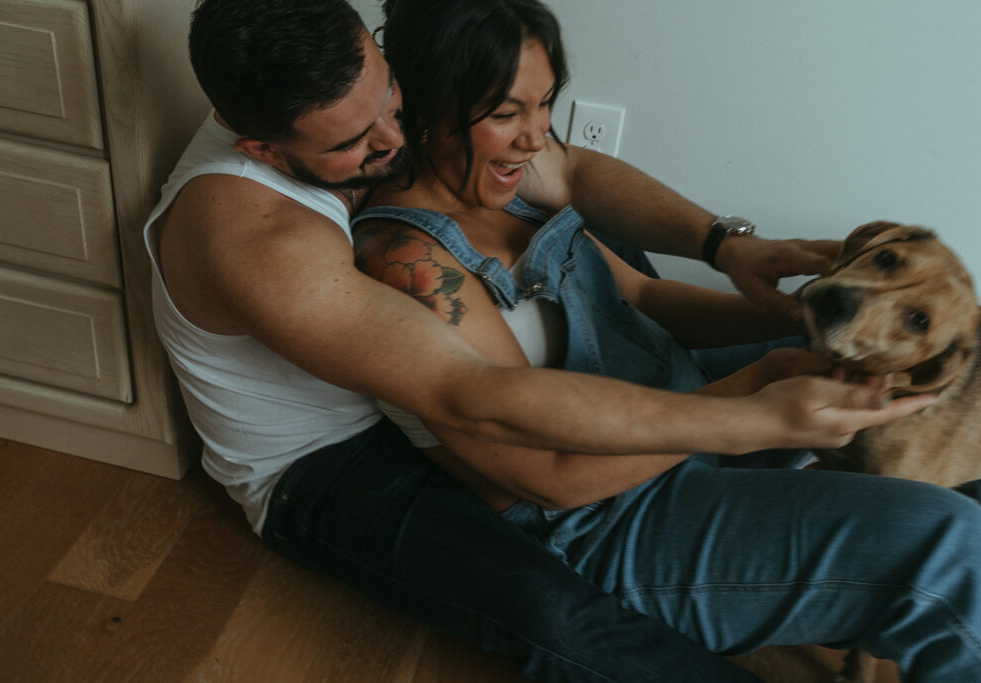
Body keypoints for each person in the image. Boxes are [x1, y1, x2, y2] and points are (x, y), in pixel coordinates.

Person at [145, 0, 934, 680]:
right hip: (327, 461)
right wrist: (754, 408)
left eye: (391, 95)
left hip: (429, 379)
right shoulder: (263, 239)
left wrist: (729, 248)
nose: (394, 135)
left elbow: (576, 175)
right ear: (262, 149)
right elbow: (478, 399)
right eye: (357, 141)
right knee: (550, 609)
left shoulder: (390, 111)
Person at [353, 0, 981, 680]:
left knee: (876, 376)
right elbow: (552, 479)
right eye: (508, 113)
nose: (538, 139)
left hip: (673, 406)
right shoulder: (408, 264)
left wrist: (798, 313)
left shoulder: (503, 184)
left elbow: (646, 296)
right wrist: (749, 396)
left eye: (545, 106)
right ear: (425, 100)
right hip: (611, 523)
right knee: (955, 552)